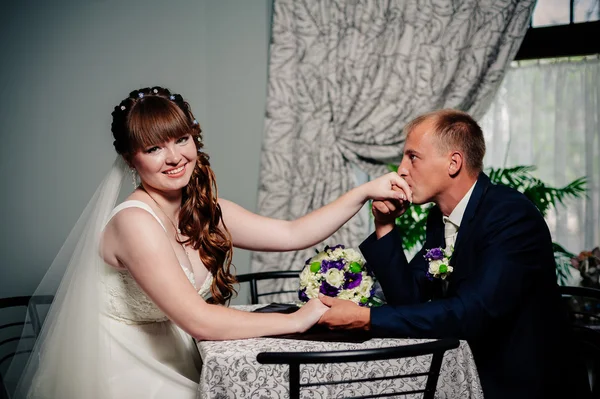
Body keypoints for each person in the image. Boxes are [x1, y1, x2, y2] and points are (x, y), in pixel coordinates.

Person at [7, 86, 410, 399]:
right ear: (132, 160)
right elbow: (199, 320)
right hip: (121, 369)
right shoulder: (134, 222)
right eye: (153, 148)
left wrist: (363, 193)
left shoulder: (204, 210)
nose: (174, 157)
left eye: (181, 140)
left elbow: (292, 234)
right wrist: (295, 320)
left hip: (184, 356)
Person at [317, 109, 591, 399]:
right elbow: (407, 299)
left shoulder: (510, 215)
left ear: (453, 162)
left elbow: (473, 312)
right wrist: (385, 225)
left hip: (522, 383)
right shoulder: (438, 219)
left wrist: (367, 318)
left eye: (413, 157)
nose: (401, 170)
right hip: (465, 371)